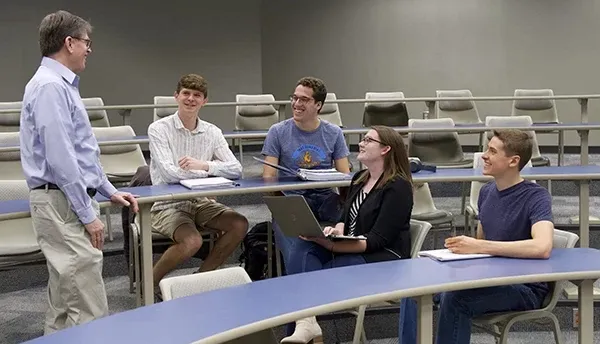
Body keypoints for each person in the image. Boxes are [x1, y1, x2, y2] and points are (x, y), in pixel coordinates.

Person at [19, 10, 139, 334]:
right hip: (62, 203)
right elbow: (60, 159)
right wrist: (88, 214)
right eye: (86, 42)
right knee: (88, 308)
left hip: (63, 199)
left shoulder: (60, 85)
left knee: (63, 302)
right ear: (68, 43)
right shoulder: (50, 87)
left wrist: (107, 189)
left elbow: (81, 150)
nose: (89, 49)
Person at [279, 126, 417, 344]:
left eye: (368, 140)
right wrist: (337, 230)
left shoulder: (398, 186)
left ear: (386, 149)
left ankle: (305, 325)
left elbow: (377, 240)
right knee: (303, 249)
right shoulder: (360, 178)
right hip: (351, 247)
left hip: (383, 258)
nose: (361, 143)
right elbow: (345, 217)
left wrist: (333, 246)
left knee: (306, 278)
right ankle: (306, 323)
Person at [433, 129, 554, 344]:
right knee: (415, 293)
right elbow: (483, 246)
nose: (484, 156)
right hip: (491, 278)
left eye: (492, 151)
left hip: (525, 288)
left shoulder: (537, 196)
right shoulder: (487, 192)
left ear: (513, 161)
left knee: (454, 299)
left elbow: (542, 247)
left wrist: (480, 246)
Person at [147, 73, 248, 294]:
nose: (191, 99)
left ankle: (202, 278)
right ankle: (150, 283)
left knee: (239, 224)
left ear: (205, 101)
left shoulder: (212, 132)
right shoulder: (159, 129)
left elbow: (236, 169)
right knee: (192, 241)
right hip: (168, 203)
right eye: (186, 93)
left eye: (197, 95)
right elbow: (168, 174)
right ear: (176, 96)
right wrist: (208, 174)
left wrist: (203, 165)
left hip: (201, 201)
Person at [260, 76, 351, 271]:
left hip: (326, 198)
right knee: (299, 249)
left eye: (304, 100)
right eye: (294, 98)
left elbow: (345, 177)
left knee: (353, 227)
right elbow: (268, 178)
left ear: (318, 105)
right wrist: (281, 208)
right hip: (293, 200)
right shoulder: (277, 132)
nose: (296, 104)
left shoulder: (333, 133)